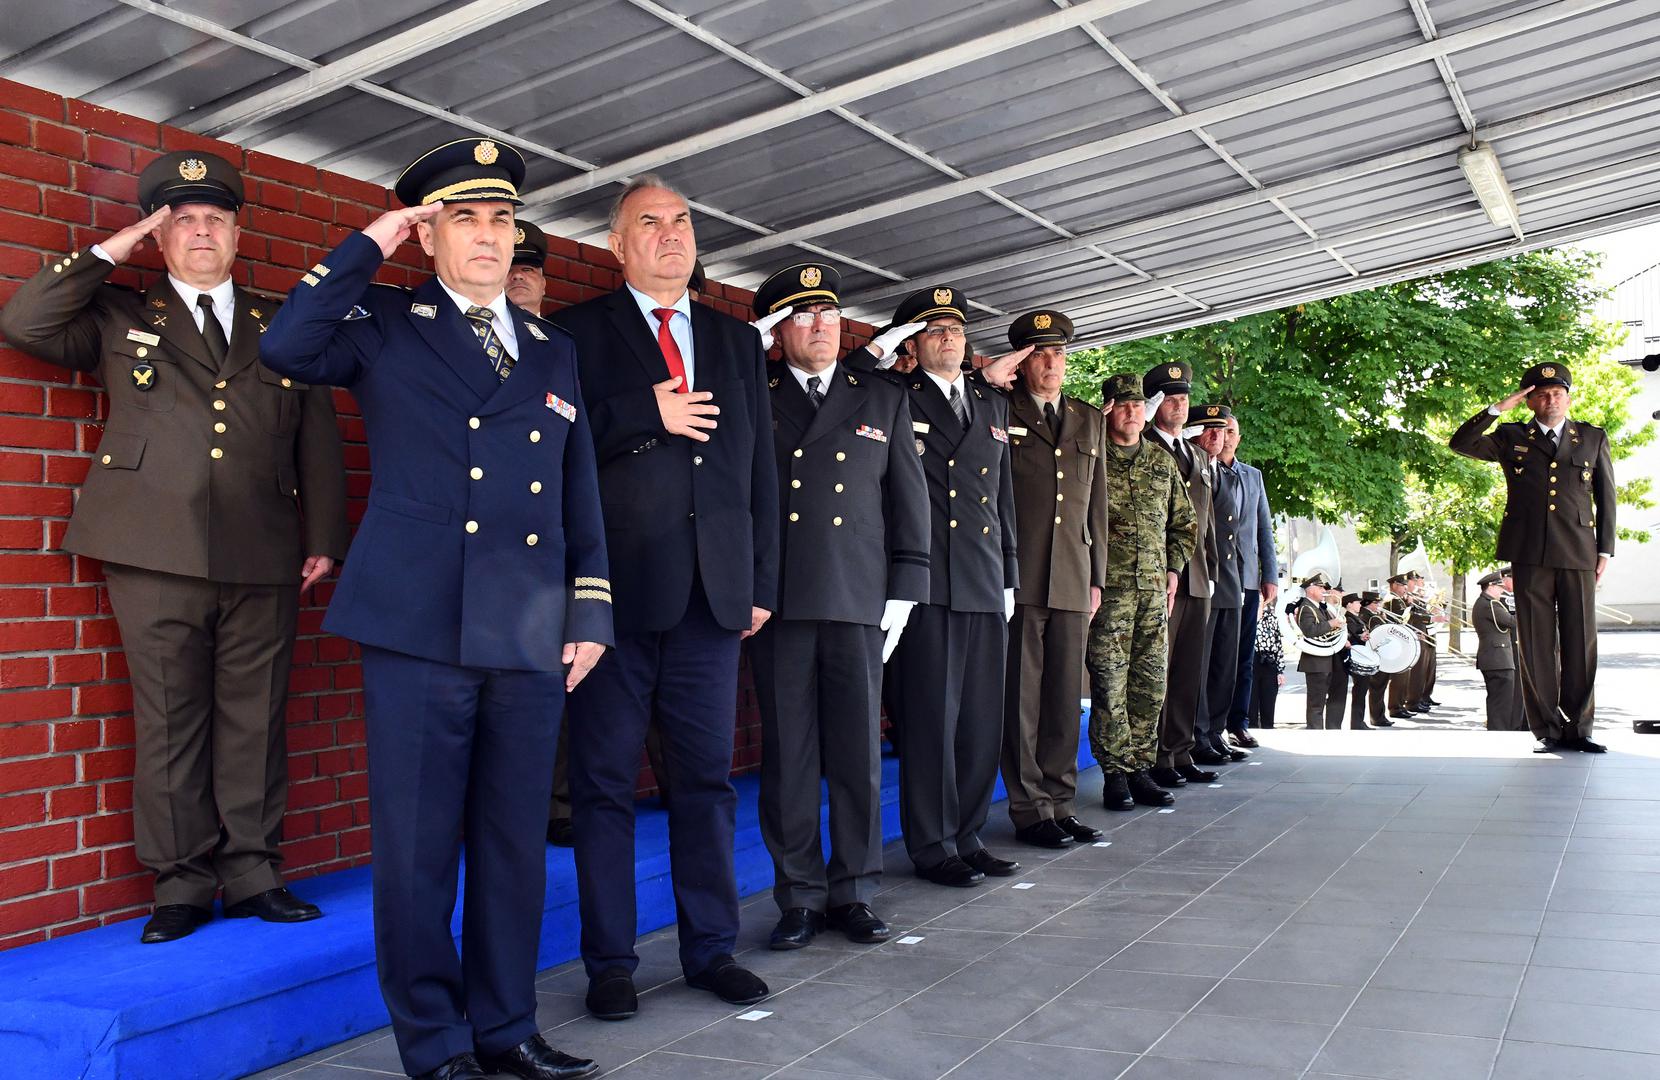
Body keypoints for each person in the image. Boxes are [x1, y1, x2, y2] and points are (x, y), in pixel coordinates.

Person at [260, 139, 607, 1080]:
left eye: (501, 220)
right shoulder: (381, 318)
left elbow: (578, 490)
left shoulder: (552, 349)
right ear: (429, 235)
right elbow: (285, 344)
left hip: (531, 625)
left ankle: (507, 1028)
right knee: (417, 852)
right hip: (420, 623)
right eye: (465, 218)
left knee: (511, 844)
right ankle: (436, 1043)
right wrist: (369, 241)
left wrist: (591, 612)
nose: (489, 236)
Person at [0, 151, 349, 945]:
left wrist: (324, 537)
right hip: (151, 549)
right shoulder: (123, 314)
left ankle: (255, 872)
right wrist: (112, 248)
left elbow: (317, 439)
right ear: (162, 235)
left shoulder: (279, 321)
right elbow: (23, 322)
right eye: (183, 220)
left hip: (266, 547)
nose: (201, 232)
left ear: (238, 232)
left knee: (254, 717)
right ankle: (181, 881)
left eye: (215, 219)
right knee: (168, 720)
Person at [551, 175, 778, 1019]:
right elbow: (557, 448)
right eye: (649, 223)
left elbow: (757, 468)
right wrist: (642, 413)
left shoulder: (735, 340)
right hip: (611, 599)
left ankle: (710, 950)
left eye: (682, 220)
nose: (670, 234)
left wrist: (760, 582)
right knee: (604, 788)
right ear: (618, 246)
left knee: (705, 784)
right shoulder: (575, 333)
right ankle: (610, 964)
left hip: (712, 601)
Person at [746, 262, 928, 948]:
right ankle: (798, 895)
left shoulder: (878, 396)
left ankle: (853, 890)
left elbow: (907, 501)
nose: (819, 326)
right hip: (781, 600)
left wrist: (906, 589)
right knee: (789, 754)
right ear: (777, 331)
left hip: (857, 597)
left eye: (827, 314)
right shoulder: (753, 394)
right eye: (800, 316)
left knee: (856, 754)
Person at [508, 221, 673, 850]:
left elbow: (598, 437)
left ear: (545, 280)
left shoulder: (571, 344)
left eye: (532, 267)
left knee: (582, 671)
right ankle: (527, 803)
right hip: (501, 542)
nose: (520, 275)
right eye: (512, 264)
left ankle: (563, 802)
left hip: (577, 534)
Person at [870, 285, 1020, 888]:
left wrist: (1010, 573)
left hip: (983, 578)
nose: (949, 338)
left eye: (956, 329)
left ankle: (969, 833)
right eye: (933, 330)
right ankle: (932, 845)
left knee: (982, 718)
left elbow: (1004, 498)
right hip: (926, 581)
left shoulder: (989, 405)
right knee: (932, 719)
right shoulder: (892, 397)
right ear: (914, 342)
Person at [1451, 361, 1618, 755]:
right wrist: (1496, 410)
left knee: (1580, 641)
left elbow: (1606, 496)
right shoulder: (1510, 436)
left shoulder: (1591, 437)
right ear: (1530, 402)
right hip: (1528, 552)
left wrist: (1605, 549)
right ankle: (1547, 729)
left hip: (1578, 550)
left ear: (1568, 397)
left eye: (1558, 393)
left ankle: (1580, 727)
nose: (1551, 399)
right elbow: (1461, 443)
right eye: (1542, 394)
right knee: (1536, 643)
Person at [999, 309, 1107, 850]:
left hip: (1072, 573)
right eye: (1039, 353)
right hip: (1019, 575)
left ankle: (1061, 802)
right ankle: (1029, 808)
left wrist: (1098, 578)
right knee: (1022, 696)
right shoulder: (1000, 407)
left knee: (1066, 696)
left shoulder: (1088, 419)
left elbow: (1097, 507)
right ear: (1022, 360)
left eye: (1059, 353)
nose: (1051, 363)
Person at [1089, 374, 1196, 811]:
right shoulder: (1092, 458)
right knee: (1109, 684)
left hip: (1153, 592)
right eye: (1123, 405)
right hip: (1109, 591)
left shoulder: (1161, 461)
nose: (1132, 413)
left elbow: (1185, 524)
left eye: (1138, 405)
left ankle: (1141, 769)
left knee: (1150, 685)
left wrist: (1173, 569)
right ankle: (1115, 774)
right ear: (1109, 410)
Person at [1142, 363, 1225, 781]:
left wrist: (1209, 567)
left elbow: (1204, 519)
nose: (1179, 406)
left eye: (1183, 398)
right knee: (1157, 669)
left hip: (1195, 576)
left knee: (1188, 667)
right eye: (1170, 398)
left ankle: (1178, 750)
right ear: (1155, 402)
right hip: (1159, 573)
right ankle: (1153, 754)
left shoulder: (1195, 454)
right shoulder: (1141, 444)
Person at [1191, 405, 1247, 769]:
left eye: (1223, 430)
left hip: (1228, 580)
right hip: (1202, 579)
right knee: (1201, 663)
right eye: (1210, 430)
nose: (1218, 436)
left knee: (1225, 664)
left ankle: (1215, 732)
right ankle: (1198, 735)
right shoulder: (1194, 469)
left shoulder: (1224, 475)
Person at [1220, 416, 1276, 749]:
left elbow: (1263, 529)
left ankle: (1238, 723)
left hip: (1249, 579)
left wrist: (1269, 575)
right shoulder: (1206, 469)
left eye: (1231, 431)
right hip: (1218, 577)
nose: (1225, 437)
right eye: (1220, 430)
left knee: (1244, 656)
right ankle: (1213, 724)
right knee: (1218, 655)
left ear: (1238, 438)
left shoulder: (1252, 476)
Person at [1472, 571, 1525, 731]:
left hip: (1495, 658)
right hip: (1498, 659)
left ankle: (1499, 729)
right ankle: (1499, 731)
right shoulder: (1489, 605)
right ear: (1490, 586)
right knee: (1501, 701)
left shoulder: (1486, 603)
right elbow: (1512, 622)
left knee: (1499, 699)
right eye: (1499, 587)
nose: (1502, 591)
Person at [1295, 572, 1347, 729]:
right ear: (1311, 589)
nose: (1324, 591)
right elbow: (1309, 630)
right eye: (1320, 588)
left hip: (1324, 659)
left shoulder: (1318, 607)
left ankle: (1326, 730)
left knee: (1322, 700)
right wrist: (1332, 624)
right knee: (1316, 702)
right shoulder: (1306, 607)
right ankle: (1315, 732)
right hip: (1315, 660)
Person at [1382, 574, 1422, 720]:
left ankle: (1399, 705)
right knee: (1400, 677)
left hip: (1403, 640)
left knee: (1404, 677)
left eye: (1405, 585)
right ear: (1394, 585)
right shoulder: (1392, 599)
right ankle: (1395, 707)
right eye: (1402, 585)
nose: (1405, 588)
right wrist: (1409, 604)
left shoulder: (1398, 599)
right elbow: (1400, 618)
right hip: (1398, 641)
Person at [1250, 604, 1287, 729]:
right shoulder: (1246, 616)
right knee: (1251, 699)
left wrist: (1280, 670)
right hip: (1251, 660)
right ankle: (1250, 727)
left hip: (1269, 660)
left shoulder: (1271, 618)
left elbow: (1278, 645)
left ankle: (1268, 726)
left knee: (1269, 699)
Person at [1360, 591, 1393, 727]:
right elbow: (1379, 633)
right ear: (1368, 603)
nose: (1378, 605)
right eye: (1376, 603)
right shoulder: (1367, 615)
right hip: (1375, 654)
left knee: (1380, 687)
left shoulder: (1373, 615)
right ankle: (1377, 717)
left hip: (1378, 654)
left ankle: (1380, 715)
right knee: (1377, 687)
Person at [1342, 593, 1373, 730]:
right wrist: (1363, 635)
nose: (1360, 605)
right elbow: (1357, 634)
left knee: (1362, 690)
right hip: (1357, 657)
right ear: (1349, 604)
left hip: (1362, 656)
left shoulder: (1355, 618)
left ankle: (1359, 721)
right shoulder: (1348, 619)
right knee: (1360, 690)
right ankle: (1357, 722)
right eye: (1357, 602)